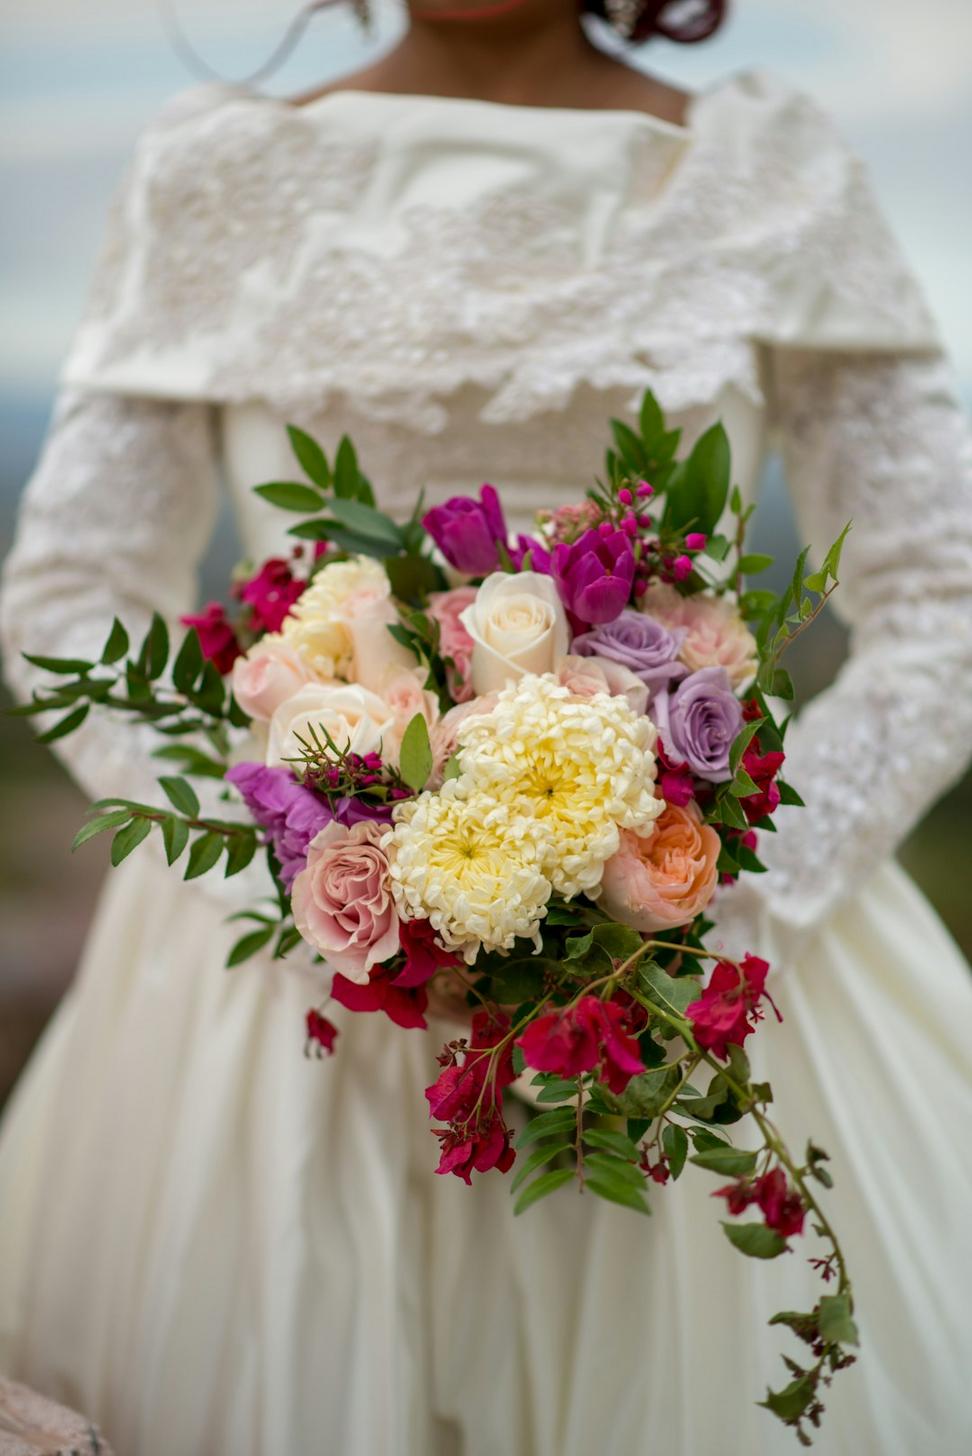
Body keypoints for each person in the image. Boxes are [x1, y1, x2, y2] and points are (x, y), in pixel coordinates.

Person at [1, 2, 971, 1452]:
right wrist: (304, 861)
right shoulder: (220, 171)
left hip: (708, 983)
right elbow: (71, 592)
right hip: (289, 1006)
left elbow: (938, 589)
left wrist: (704, 884)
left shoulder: (771, 165)